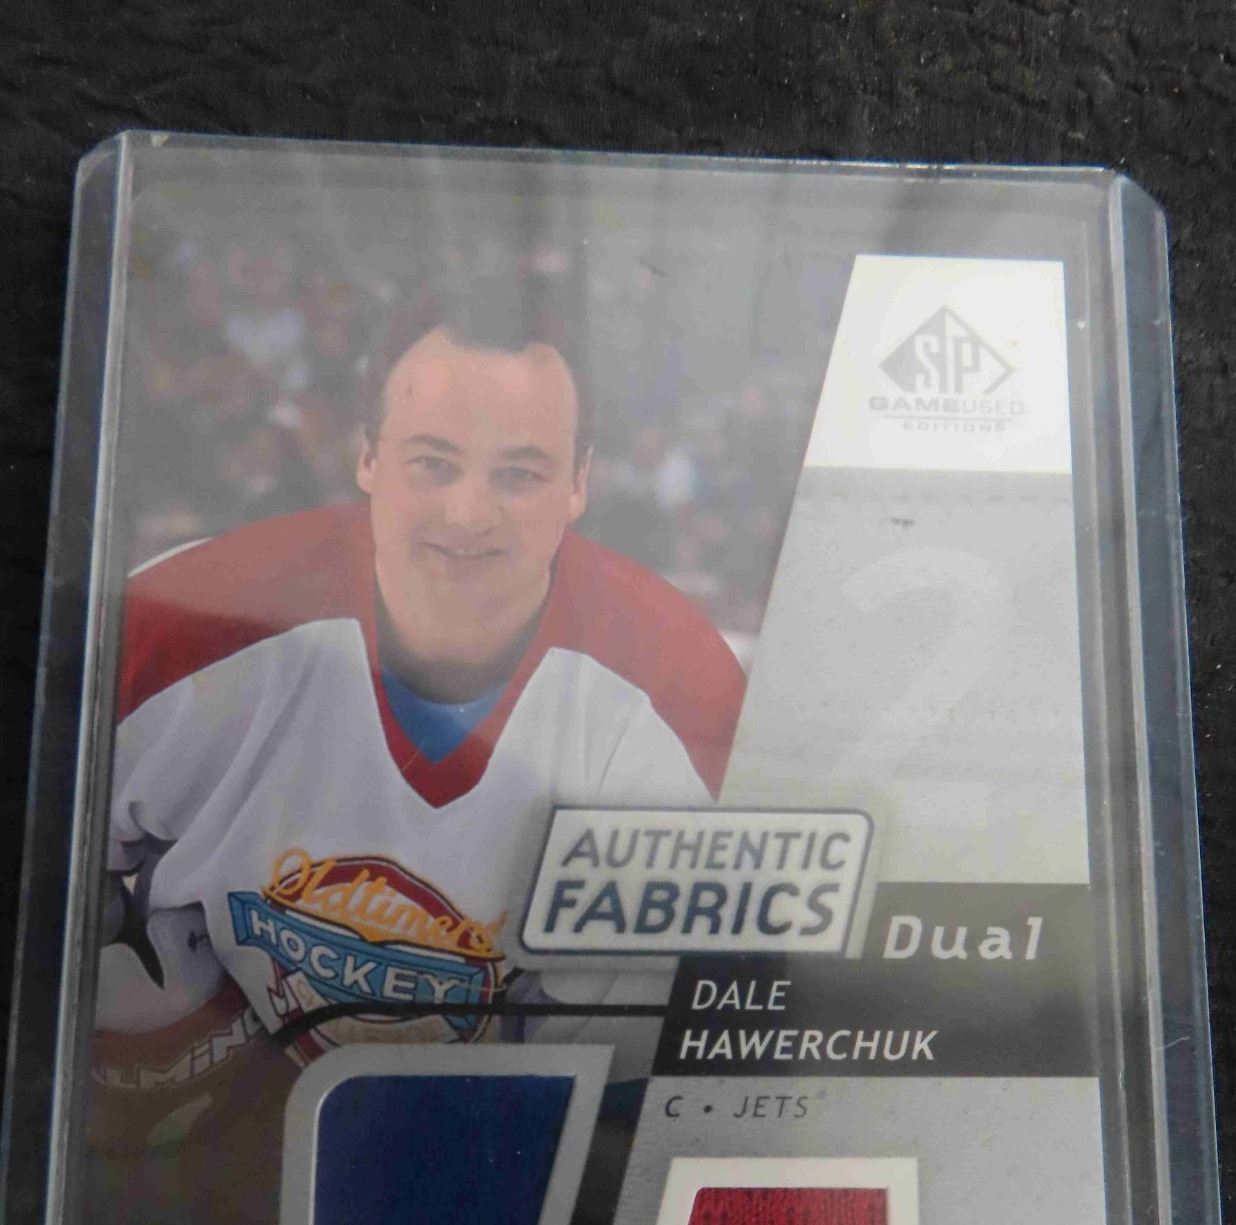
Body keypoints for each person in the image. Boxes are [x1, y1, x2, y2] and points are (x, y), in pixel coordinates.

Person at [93, 276, 747, 1147]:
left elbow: (636, 1087)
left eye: (520, 473)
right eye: (433, 463)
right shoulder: (178, 627)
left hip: (487, 1158)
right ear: (367, 457)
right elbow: (37, 885)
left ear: (579, 482)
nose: (469, 514)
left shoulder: (673, 694)